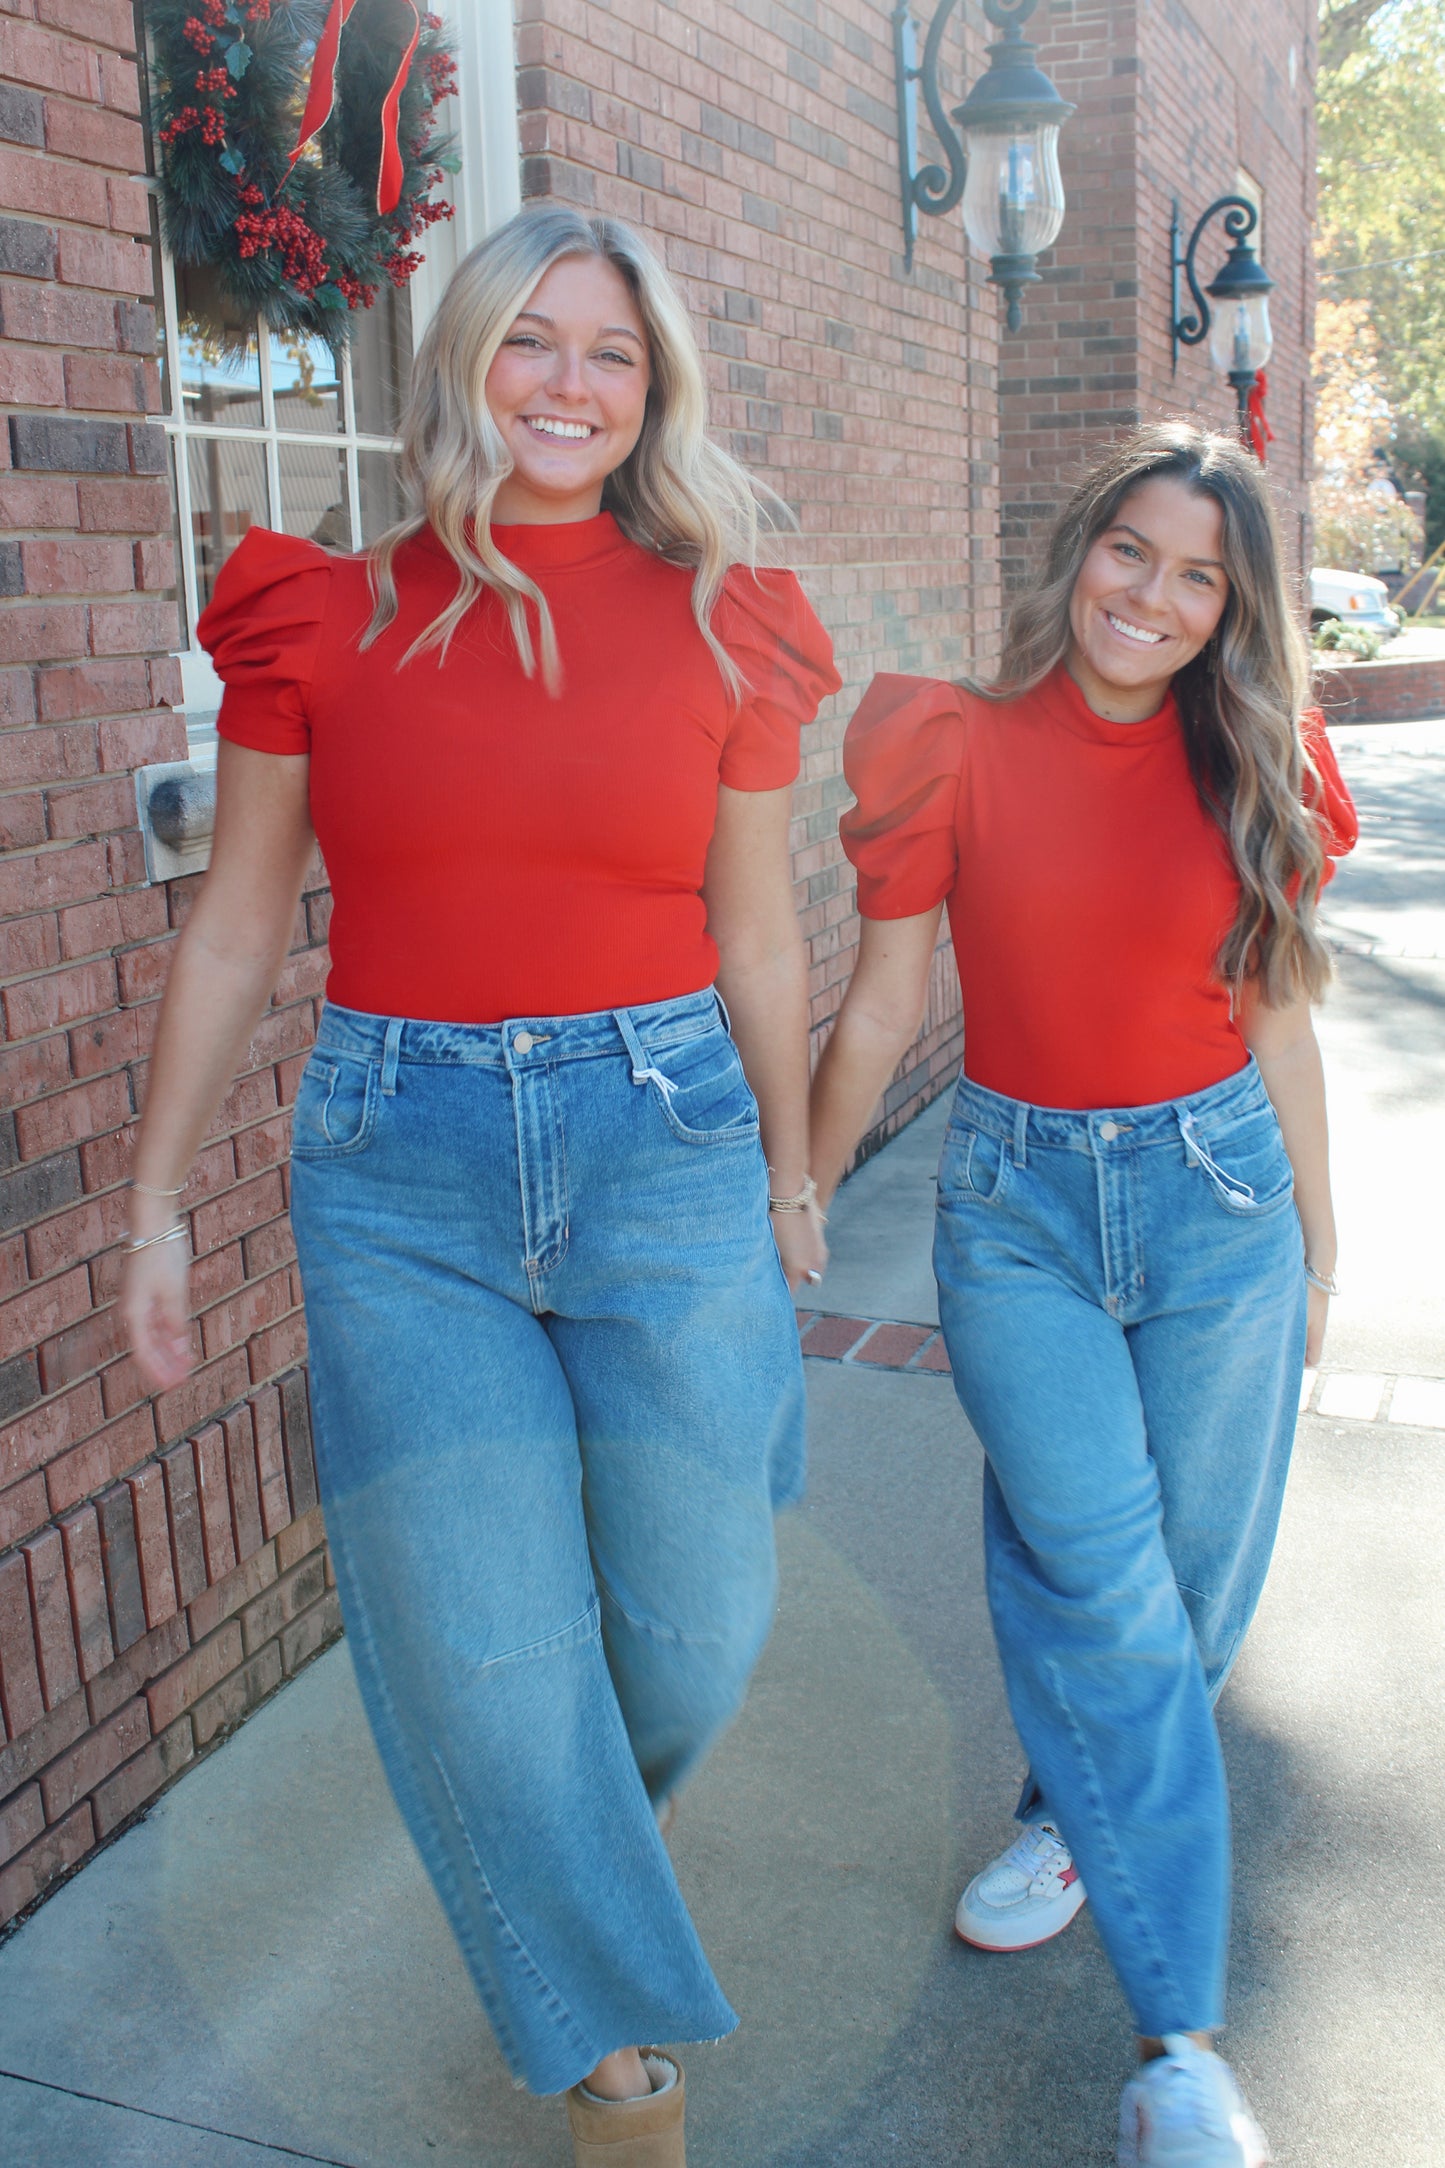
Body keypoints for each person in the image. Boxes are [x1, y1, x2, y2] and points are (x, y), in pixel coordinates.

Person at [122, 204, 836, 2168]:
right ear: (463, 360)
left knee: (693, 1621)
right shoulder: (316, 611)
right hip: (399, 1176)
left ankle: (562, 1846)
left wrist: (788, 1163)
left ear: (652, 385)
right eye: (532, 342)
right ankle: (623, 2085)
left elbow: (763, 935)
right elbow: (241, 927)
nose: (569, 386)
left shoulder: (728, 616)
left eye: (610, 352)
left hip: (665, 1138)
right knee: (500, 1667)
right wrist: (160, 1199)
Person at [808, 422, 1357, 2168]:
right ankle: (1177, 2047)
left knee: (1183, 1592)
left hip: (1217, 1202)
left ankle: (1070, 1809)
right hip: (1017, 1207)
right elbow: (886, 1008)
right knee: (1097, 1579)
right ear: (1077, 550)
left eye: (1200, 576)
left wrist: (1321, 1242)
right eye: (1134, 551)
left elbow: (1275, 1013)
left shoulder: (1253, 759)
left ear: (1231, 606)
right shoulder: (946, 743)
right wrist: (799, 1185)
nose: (1156, 597)